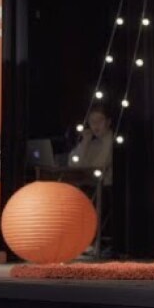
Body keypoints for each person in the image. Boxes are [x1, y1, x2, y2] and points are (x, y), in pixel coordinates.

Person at [69, 104, 116, 256]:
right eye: (92, 121)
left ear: (108, 122)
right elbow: (74, 164)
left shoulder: (111, 141)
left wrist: (107, 138)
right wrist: (84, 142)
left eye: (99, 121)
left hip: (107, 187)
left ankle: (91, 240)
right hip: (90, 186)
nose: (95, 125)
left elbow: (101, 163)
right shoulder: (92, 143)